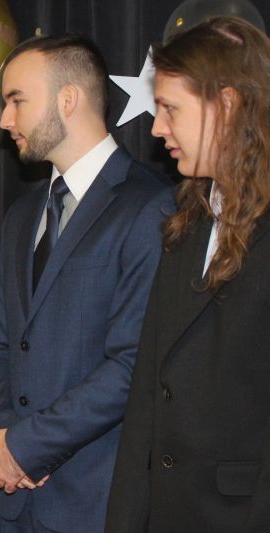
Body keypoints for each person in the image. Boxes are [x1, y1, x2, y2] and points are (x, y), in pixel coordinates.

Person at [0, 34, 172, 532]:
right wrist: (6, 440)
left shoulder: (149, 205)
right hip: (14, 500)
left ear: (68, 99)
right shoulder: (21, 216)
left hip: (94, 501)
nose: (4, 120)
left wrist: (26, 446)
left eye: (16, 100)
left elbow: (132, 364)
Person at [106, 17, 270, 532]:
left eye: (170, 109)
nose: (157, 129)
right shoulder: (187, 221)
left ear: (228, 104)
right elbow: (147, 397)